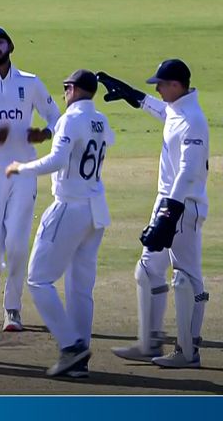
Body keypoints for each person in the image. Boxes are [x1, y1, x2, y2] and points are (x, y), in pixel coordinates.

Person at [99, 59, 209, 368]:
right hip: (167, 204)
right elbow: (163, 113)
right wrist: (133, 95)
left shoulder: (194, 121)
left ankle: (188, 352)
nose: (157, 89)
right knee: (147, 271)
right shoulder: (177, 109)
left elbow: (188, 172)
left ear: (176, 85)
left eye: (160, 84)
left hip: (183, 206)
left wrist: (169, 213)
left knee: (186, 279)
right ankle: (149, 343)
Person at [7, 70, 114, 377]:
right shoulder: (101, 120)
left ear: (72, 89)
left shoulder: (70, 119)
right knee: (81, 286)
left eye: (66, 87)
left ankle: (70, 347)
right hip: (96, 209)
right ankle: (79, 358)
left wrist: (20, 168)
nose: (64, 92)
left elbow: (56, 161)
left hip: (70, 206)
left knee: (38, 280)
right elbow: (109, 140)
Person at [0, 27, 61, 331]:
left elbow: (58, 120)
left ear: (10, 46)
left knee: (17, 244)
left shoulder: (30, 83)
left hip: (23, 171)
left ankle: (13, 308)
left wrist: (43, 134)